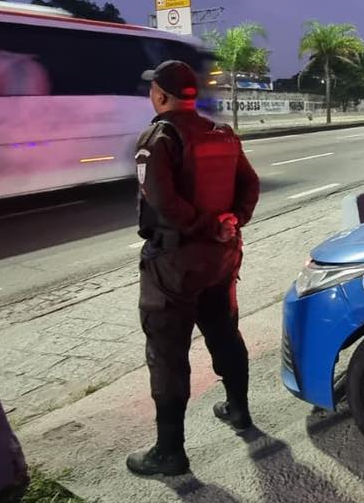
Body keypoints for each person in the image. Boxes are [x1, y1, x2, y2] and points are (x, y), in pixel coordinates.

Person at [126, 60, 260, 477]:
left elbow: (163, 202)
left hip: (176, 263)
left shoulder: (159, 137)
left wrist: (205, 225)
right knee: (223, 331)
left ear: (161, 95)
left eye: (153, 90)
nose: (151, 95)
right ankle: (238, 410)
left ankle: (170, 452)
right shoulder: (220, 133)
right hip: (221, 256)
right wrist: (231, 220)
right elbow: (249, 184)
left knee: (167, 351)